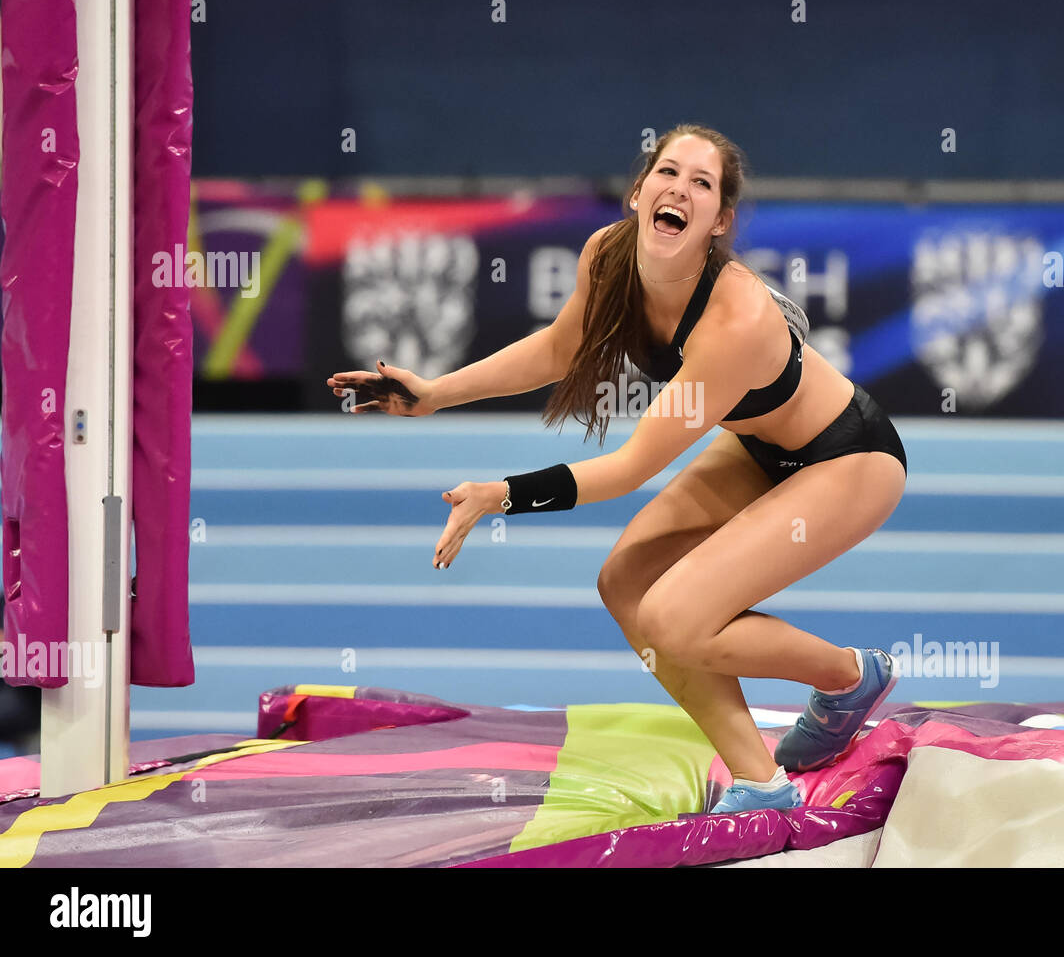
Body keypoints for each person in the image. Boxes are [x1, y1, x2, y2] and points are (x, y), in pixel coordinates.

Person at [327, 124, 908, 815]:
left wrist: (502, 495)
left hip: (849, 457)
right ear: (639, 192)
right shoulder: (607, 256)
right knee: (626, 583)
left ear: (719, 221)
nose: (679, 189)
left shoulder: (736, 318)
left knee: (675, 616)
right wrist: (435, 393)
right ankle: (760, 779)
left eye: (702, 184)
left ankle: (848, 676)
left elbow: (631, 467)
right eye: (668, 172)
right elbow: (556, 350)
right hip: (756, 446)